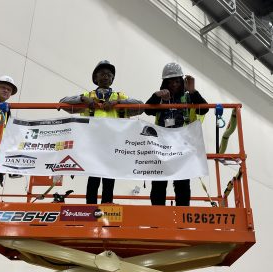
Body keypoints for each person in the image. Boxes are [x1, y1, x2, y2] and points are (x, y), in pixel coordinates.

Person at [60, 60, 143, 204]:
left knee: (109, 179)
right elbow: (63, 101)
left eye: (109, 75)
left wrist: (117, 103)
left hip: (113, 145)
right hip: (93, 145)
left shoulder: (119, 96)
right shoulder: (88, 95)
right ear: (95, 78)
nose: (106, 77)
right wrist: (82, 99)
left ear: (112, 79)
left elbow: (141, 105)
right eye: (102, 74)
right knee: (93, 178)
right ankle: (90, 208)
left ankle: (106, 207)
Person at [145, 62, 209, 206]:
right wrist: (156, 95)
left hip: (182, 148)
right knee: (159, 184)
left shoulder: (189, 98)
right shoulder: (161, 99)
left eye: (177, 81)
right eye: (170, 81)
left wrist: (193, 92)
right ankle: (157, 218)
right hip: (162, 148)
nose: (174, 84)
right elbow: (147, 110)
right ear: (165, 83)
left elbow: (204, 109)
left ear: (182, 82)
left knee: (182, 185)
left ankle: (182, 218)